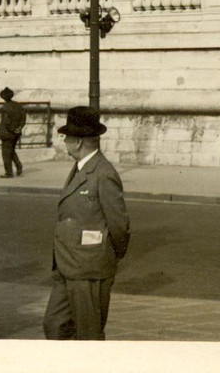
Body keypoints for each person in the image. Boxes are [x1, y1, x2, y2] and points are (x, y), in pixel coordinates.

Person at [43, 106, 130, 341]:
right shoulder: (81, 168)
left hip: (89, 268)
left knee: (88, 334)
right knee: (55, 325)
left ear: (78, 142)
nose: (65, 142)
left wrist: (105, 257)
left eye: (66, 137)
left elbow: (119, 225)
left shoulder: (103, 173)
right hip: (67, 265)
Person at [0, 87, 26, 178]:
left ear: (3, 97)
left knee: (6, 153)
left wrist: (13, 129)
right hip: (16, 133)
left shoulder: (5, 107)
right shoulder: (18, 105)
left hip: (7, 133)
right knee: (11, 150)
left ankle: (9, 172)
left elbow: (6, 122)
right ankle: (18, 165)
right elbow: (23, 118)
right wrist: (19, 128)